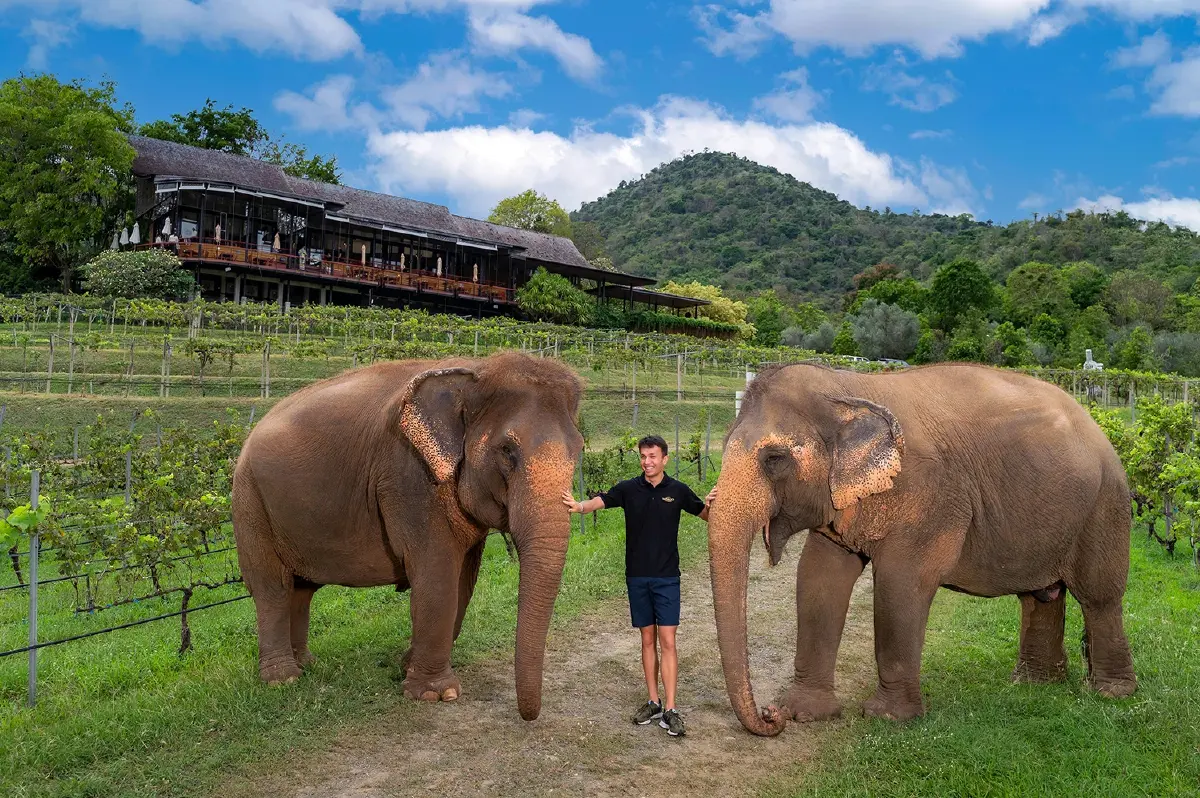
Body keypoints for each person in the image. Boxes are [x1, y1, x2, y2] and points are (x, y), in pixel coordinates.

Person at [563, 434, 716, 738]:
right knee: (647, 640)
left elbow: (706, 516)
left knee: (668, 641)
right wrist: (578, 506)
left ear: (665, 459)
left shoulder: (679, 491)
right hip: (637, 577)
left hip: (667, 577)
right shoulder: (629, 489)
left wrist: (714, 505)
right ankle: (654, 702)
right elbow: (602, 500)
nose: (647, 462)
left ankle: (671, 709)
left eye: (653, 456)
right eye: (643, 457)